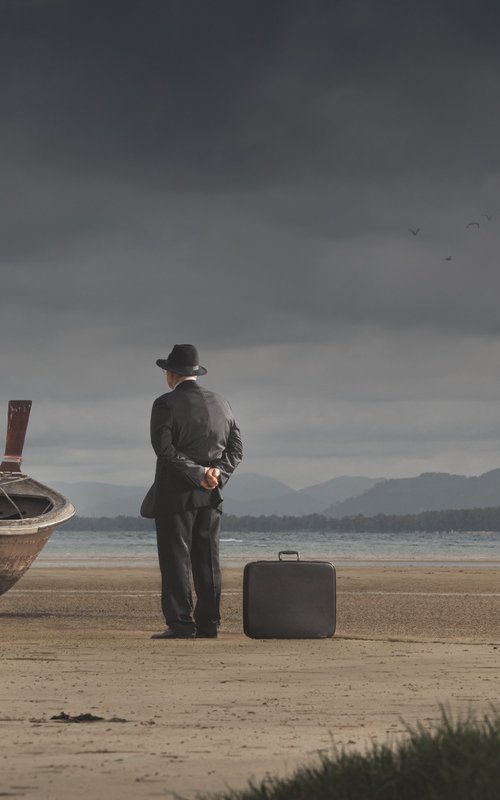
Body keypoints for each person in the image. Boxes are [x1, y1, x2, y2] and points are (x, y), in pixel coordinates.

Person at [144, 343, 243, 639]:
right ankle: (209, 623)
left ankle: (181, 623)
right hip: (212, 493)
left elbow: (164, 449)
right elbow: (236, 448)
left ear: (170, 373)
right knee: (208, 558)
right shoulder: (222, 403)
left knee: (176, 559)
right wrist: (217, 473)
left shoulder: (165, 404)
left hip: (176, 492)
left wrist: (198, 474)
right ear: (195, 373)